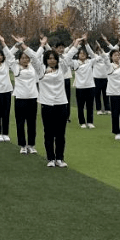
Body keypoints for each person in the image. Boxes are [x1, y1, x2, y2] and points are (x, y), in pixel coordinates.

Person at [33, 37, 78, 166]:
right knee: (49, 132)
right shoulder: (41, 71)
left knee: (60, 133)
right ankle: (50, 158)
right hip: (47, 105)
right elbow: (34, 59)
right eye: (49, 58)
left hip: (61, 104)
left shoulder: (62, 69)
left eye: (54, 58)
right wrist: (41, 45)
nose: (52, 60)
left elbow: (69, 56)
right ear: (46, 60)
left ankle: (59, 158)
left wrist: (75, 44)